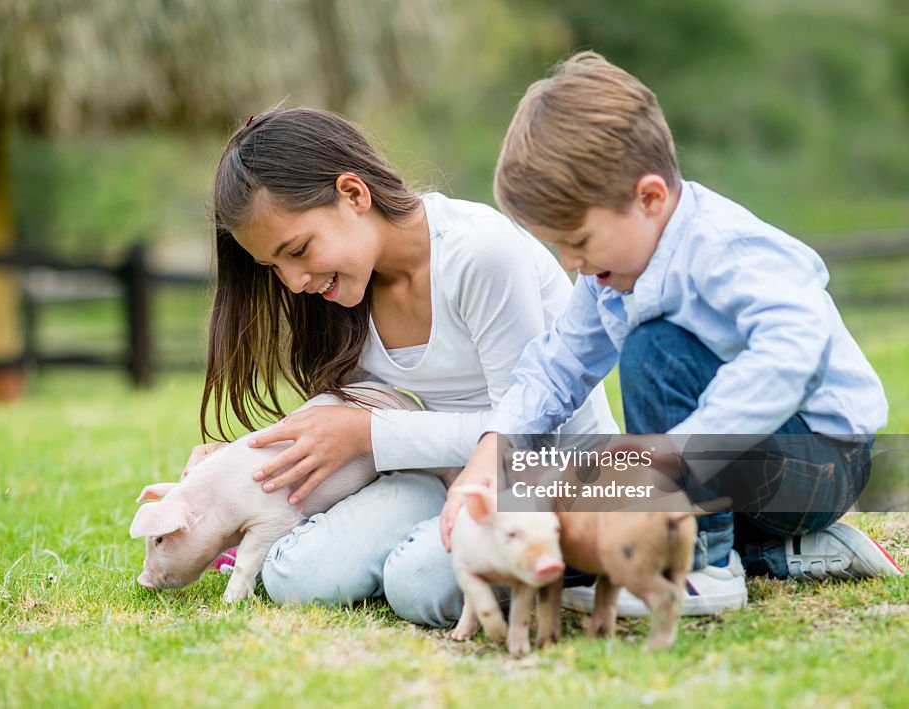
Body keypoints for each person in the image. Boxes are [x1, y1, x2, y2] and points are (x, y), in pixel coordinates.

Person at [441, 51, 902, 617]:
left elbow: (792, 353)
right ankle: (788, 553)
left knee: (654, 348)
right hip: (743, 475)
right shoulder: (610, 273)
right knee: (575, 504)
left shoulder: (724, 248)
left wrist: (683, 450)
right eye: (559, 246)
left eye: (579, 240)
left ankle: (702, 564)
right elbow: (557, 364)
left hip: (822, 460)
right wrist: (496, 446)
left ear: (650, 198)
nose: (570, 263)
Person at [192, 107, 619, 627]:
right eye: (273, 267)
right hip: (439, 477)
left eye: (299, 250)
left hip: (549, 474)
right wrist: (236, 470)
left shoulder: (479, 255)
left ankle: (577, 556)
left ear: (353, 194)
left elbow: (528, 434)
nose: (292, 282)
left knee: (420, 585)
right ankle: (429, 544)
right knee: (295, 578)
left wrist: (371, 432)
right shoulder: (344, 293)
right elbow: (355, 429)